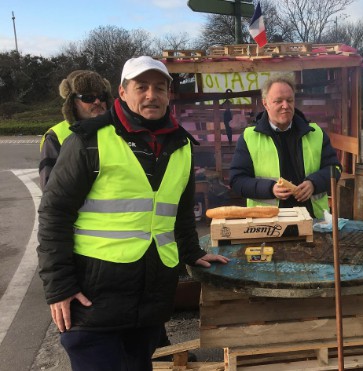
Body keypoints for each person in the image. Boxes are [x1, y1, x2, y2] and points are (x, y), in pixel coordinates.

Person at [37, 56, 229, 371]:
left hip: (150, 299)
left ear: (169, 94)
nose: (151, 95)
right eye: (141, 87)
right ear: (123, 93)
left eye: (159, 88)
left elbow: (179, 212)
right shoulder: (89, 140)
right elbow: (53, 215)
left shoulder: (180, 145)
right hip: (93, 300)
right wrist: (59, 286)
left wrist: (192, 252)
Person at [229, 75, 341, 218]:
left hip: (314, 220)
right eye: (278, 101)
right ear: (265, 104)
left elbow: (335, 169)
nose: (285, 106)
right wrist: (270, 189)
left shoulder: (316, 133)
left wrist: (314, 183)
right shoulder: (249, 137)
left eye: (289, 100)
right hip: (267, 223)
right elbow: (237, 180)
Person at [39, 70, 112, 188]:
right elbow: (50, 190)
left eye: (101, 96)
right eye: (88, 98)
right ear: (72, 102)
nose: (97, 102)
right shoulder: (55, 136)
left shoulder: (119, 129)